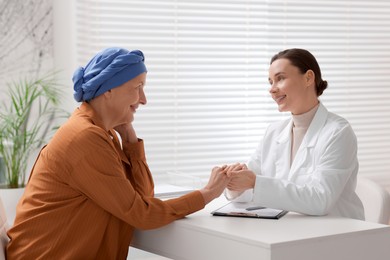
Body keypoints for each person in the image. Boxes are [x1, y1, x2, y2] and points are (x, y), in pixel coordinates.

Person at [6, 47, 230, 259]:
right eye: (137, 88)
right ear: (109, 91)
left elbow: (143, 197)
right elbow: (141, 214)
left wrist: (130, 140)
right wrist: (207, 193)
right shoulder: (85, 138)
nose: (144, 99)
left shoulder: (103, 134)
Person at [225, 48, 364, 220]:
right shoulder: (274, 132)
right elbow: (248, 192)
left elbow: (320, 200)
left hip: (336, 234)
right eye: (270, 82)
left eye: (280, 78)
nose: (272, 89)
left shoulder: (337, 132)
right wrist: (235, 183)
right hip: (288, 231)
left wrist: (254, 182)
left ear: (308, 78)